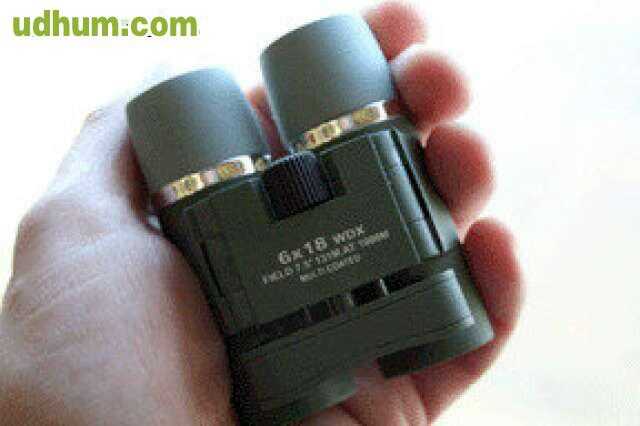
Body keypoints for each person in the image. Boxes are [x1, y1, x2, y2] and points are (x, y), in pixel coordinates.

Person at [0, 2, 523, 424]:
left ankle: (411, 304)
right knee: (347, 90)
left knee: (189, 112)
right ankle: (426, 307)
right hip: (387, 302)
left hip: (279, 343)